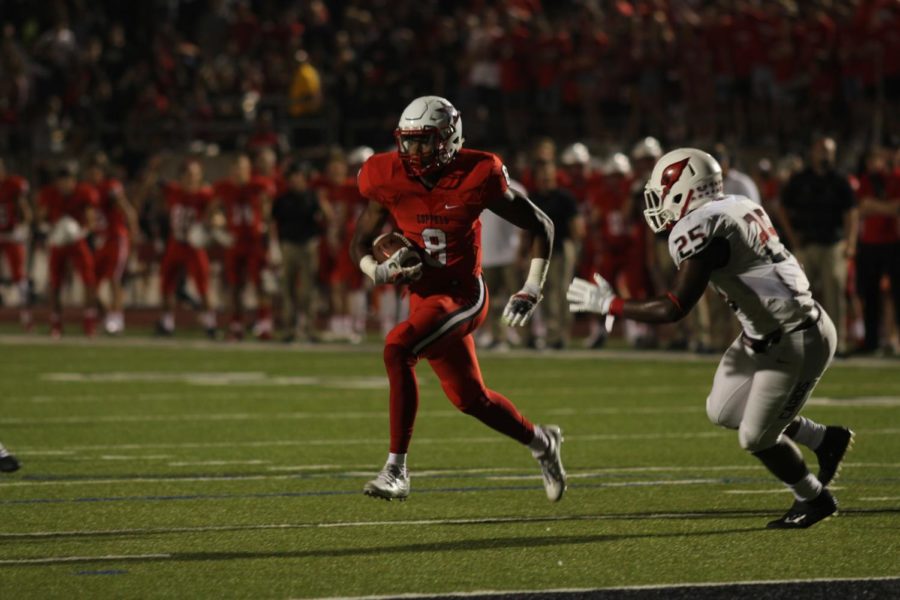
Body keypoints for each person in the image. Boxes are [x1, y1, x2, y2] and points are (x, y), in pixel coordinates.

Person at [567, 148, 853, 529]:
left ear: (685, 189)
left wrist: (610, 304)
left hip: (796, 339)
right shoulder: (737, 204)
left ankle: (814, 497)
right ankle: (823, 439)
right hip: (764, 334)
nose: (658, 202)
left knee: (755, 438)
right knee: (723, 410)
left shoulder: (701, 227)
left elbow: (674, 307)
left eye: (663, 191)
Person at [350, 95, 565, 502]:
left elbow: (542, 225)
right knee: (471, 399)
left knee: (397, 349)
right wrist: (376, 270)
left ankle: (396, 469)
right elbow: (359, 241)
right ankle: (542, 442)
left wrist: (531, 287)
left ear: (450, 139)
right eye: (408, 141)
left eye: (425, 141)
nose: (414, 152)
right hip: (424, 298)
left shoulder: (478, 172)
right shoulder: (385, 174)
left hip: (462, 295)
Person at [779, 136, 858, 355]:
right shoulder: (800, 179)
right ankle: (798, 340)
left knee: (835, 287)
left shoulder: (840, 180)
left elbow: (851, 212)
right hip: (806, 243)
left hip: (833, 243)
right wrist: (792, 237)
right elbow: (783, 207)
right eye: (821, 150)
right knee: (797, 293)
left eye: (829, 150)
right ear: (813, 152)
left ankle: (837, 343)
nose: (825, 154)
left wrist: (850, 243)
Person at [213, 154, 276, 340]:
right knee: (234, 286)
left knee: (260, 284)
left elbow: (268, 209)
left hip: (255, 242)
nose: (239, 172)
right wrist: (218, 224)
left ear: (249, 170)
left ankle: (264, 325)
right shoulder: (225, 188)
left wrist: (270, 238)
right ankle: (236, 325)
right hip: (235, 243)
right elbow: (212, 210)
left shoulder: (259, 185)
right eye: (236, 169)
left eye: (242, 168)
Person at [156, 159, 218, 338]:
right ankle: (167, 323)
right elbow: (157, 189)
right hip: (175, 243)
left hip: (194, 246)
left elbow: (218, 214)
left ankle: (210, 324)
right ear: (181, 177)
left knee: (203, 286)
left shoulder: (205, 195)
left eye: (196, 174)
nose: (193, 178)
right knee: (166, 285)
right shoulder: (173, 191)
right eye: (189, 174)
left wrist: (214, 221)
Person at [37, 163, 100, 338]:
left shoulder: (84, 193)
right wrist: (47, 230)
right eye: (62, 181)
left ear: (74, 181)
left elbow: (91, 220)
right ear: (58, 182)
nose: (65, 184)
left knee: (89, 280)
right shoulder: (50, 194)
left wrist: (81, 232)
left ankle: (89, 322)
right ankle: (56, 323)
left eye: (68, 180)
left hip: (77, 240)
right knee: (55, 283)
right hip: (58, 242)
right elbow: (41, 215)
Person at [527, 159, 584, 349]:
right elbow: (528, 228)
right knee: (546, 295)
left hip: (561, 248)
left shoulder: (564, 197)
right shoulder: (533, 198)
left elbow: (576, 227)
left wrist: (576, 250)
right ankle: (552, 335)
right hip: (541, 252)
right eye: (542, 175)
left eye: (548, 175)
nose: (545, 178)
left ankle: (563, 334)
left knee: (562, 292)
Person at [270, 161, 329, 342]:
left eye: (299, 177)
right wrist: (273, 246)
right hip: (288, 246)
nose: (296, 181)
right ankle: (289, 329)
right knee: (287, 289)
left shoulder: (312, 197)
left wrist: (323, 201)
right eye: (293, 178)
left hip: (308, 246)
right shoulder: (282, 199)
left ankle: (310, 328)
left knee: (308, 290)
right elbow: (273, 222)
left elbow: (327, 217)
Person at [84, 152, 138, 335]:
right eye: (91, 169)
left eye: (96, 170)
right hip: (101, 241)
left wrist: (133, 239)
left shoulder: (110, 187)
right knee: (91, 282)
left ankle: (117, 320)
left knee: (114, 279)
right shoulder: (87, 190)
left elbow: (129, 213)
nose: (93, 173)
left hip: (116, 238)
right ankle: (109, 316)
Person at [0, 158, 33, 331]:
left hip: (12, 234)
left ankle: (26, 314)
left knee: (19, 275)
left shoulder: (13, 185)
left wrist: (24, 226)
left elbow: (25, 209)